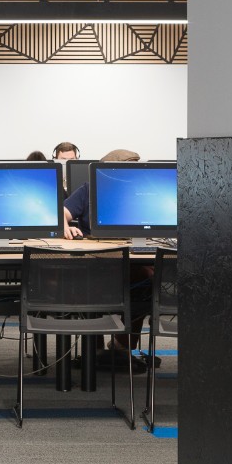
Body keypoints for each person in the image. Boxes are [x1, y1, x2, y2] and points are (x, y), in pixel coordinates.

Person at [62, 148, 150, 371]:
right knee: (89, 284)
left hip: (129, 263)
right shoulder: (89, 189)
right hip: (95, 261)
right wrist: (65, 227)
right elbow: (62, 212)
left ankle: (121, 347)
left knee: (146, 281)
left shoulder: (142, 192)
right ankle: (95, 350)